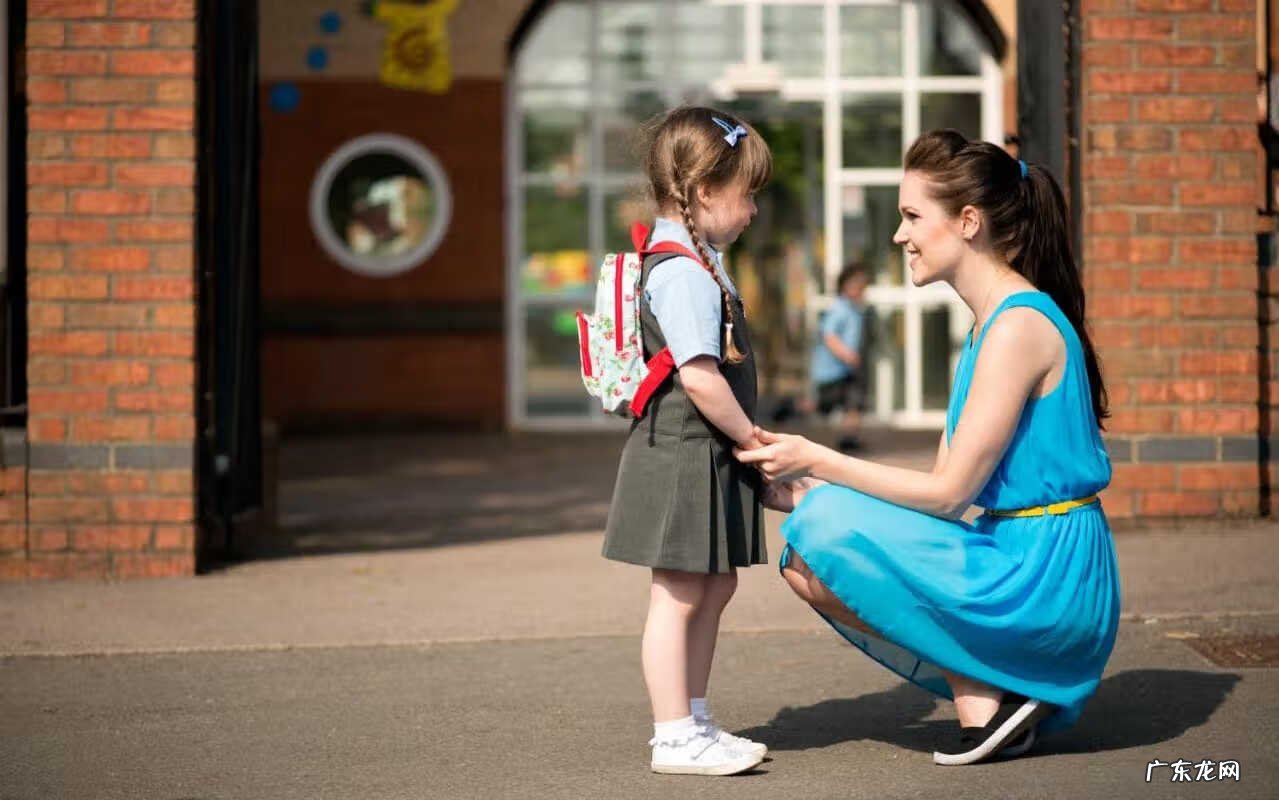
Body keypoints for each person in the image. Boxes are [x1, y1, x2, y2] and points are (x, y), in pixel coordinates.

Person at [737, 129, 1120, 766]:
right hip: (1013, 551)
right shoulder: (988, 326)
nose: (899, 235)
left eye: (913, 216)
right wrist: (810, 489)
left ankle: (989, 688)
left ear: (968, 222)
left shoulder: (1019, 325)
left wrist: (817, 459)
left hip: (1049, 575)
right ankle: (986, 690)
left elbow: (946, 497)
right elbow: (942, 488)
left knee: (824, 527)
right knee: (807, 554)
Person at [601, 107, 773, 776]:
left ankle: (695, 719)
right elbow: (699, 378)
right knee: (677, 592)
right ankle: (673, 734)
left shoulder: (701, 262)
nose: (753, 209)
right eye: (746, 192)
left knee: (714, 584)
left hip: (701, 456)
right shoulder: (681, 271)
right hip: (682, 455)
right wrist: (751, 439)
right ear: (703, 192)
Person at [810, 263, 870, 451]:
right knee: (823, 406)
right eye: (856, 285)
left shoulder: (856, 310)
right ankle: (790, 408)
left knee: (855, 402)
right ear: (845, 285)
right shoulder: (839, 309)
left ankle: (850, 438)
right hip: (832, 370)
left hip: (848, 370)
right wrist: (846, 354)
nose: (860, 289)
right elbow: (829, 336)